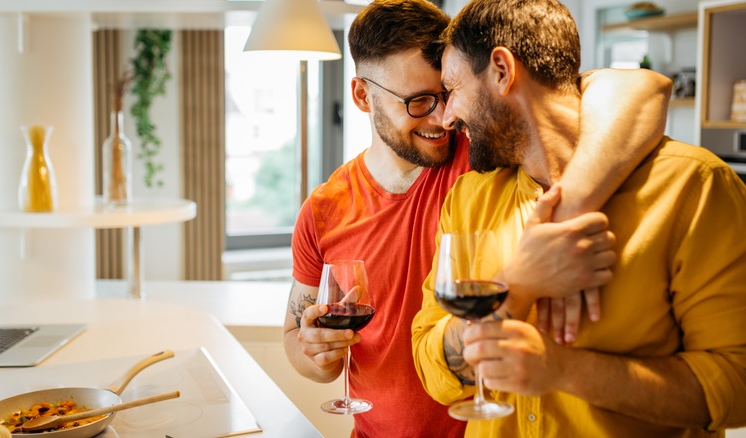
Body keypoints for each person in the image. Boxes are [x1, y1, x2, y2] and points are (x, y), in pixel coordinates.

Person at [285, 1, 672, 437]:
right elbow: (295, 338)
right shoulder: (324, 208)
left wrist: (572, 206)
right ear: (361, 95)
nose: (443, 118)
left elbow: (641, 88)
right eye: (419, 101)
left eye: (447, 92)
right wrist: (317, 354)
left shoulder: (486, 152)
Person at [411, 0, 746, 436]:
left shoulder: (694, 186)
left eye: (452, 89)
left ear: (502, 70)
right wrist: (517, 286)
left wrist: (564, 371)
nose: (447, 117)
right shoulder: (468, 198)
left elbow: (736, 386)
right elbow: (431, 370)